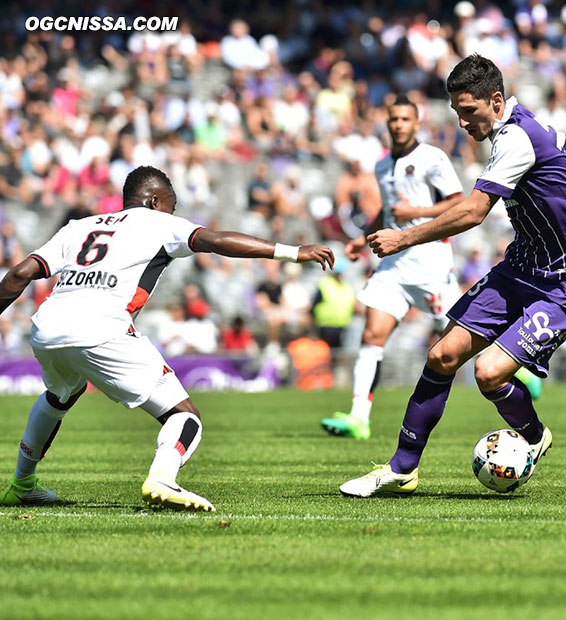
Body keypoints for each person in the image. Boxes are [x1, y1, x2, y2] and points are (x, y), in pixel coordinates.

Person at [340, 54, 566, 497]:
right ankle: (402, 469)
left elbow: (475, 211)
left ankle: (534, 437)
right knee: (442, 356)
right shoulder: (528, 125)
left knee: (488, 374)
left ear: (495, 101)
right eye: (456, 112)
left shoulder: (517, 138)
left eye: (468, 111)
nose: (461, 122)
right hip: (520, 268)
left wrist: (405, 238)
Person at [0, 166, 334, 510]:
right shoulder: (159, 222)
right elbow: (215, 241)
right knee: (184, 415)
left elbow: (20, 274)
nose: (174, 215)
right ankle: (162, 478)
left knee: (60, 396)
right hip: (101, 329)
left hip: (48, 327)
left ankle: (22, 483)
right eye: (172, 208)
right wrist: (293, 252)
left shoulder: (79, 227)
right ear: (155, 200)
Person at [320, 94, 465, 440]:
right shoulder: (382, 165)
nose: (398, 125)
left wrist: (416, 214)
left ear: (417, 123)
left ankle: (517, 371)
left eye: (405, 119)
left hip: (430, 262)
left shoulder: (432, 157)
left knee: (463, 336)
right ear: (387, 125)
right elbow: (387, 212)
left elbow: (459, 204)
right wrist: (364, 237)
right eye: (393, 119)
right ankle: (359, 417)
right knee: (372, 335)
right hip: (394, 265)